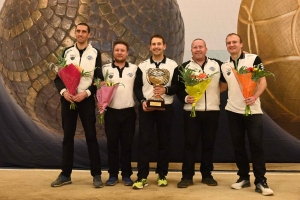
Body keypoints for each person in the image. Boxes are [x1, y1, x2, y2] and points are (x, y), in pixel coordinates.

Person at [221, 33, 274, 196]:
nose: (231, 45)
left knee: (256, 145)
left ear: (241, 44)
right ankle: (243, 177)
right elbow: (222, 87)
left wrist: (255, 97)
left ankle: (261, 181)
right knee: (238, 147)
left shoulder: (254, 59)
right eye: (229, 43)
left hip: (253, 111)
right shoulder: (225, 66)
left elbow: (262, 82)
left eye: (234, 42)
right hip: (232, 111)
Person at [52, 23, 103, 188]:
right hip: (68, 100)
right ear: (75, 33)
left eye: (84, 32)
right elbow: (58, 78)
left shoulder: (95, 53)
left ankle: (96, 174)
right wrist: (64, 92)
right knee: (67, 138)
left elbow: (98, 79)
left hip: (85, 100)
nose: (80, 34)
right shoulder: (67, 52)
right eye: (78, 31)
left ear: (89, 34)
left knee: (91, 137)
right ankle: (65, 174)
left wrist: (86, 93)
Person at [176, 39, 227, 188]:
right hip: (191, 112)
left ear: (206, 49)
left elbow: (223, 84)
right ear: (191, 50)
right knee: (189, 144)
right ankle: (187, 176)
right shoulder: (184, 67)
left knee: (208, 143)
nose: (198, 49)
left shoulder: (217, 64)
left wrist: (215, 94)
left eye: (200, 47)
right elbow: (178, 89)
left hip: (212, 111)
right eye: (195, 47)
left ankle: (207, 174)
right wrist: (186, 98)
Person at [132, 34, 179, 189]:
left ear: (164, 46)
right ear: (150, 47)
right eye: (154, 44)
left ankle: (162, 174)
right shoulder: (142, 66)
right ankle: (142, 177)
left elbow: (177, 87)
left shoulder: (173, 65)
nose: (156, 46)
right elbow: (137, 88)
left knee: (164, 142)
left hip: (166, 108)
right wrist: (142, 101)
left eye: (159, 44)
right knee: (144, 142)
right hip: (147, 108)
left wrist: (165, 89)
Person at [97, 40, 137, 186]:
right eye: (117, 50)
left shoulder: (134, 69)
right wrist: (99, 100)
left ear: (127, 53)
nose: (119, 52)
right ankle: (113, 175)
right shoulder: (106, 69)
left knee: (127, 145)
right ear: (113, 52)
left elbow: (139, 89)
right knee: (112, 145)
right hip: (111, 113)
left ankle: (126, 175)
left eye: (122, 50)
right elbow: (100, 89)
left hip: (128, 112)